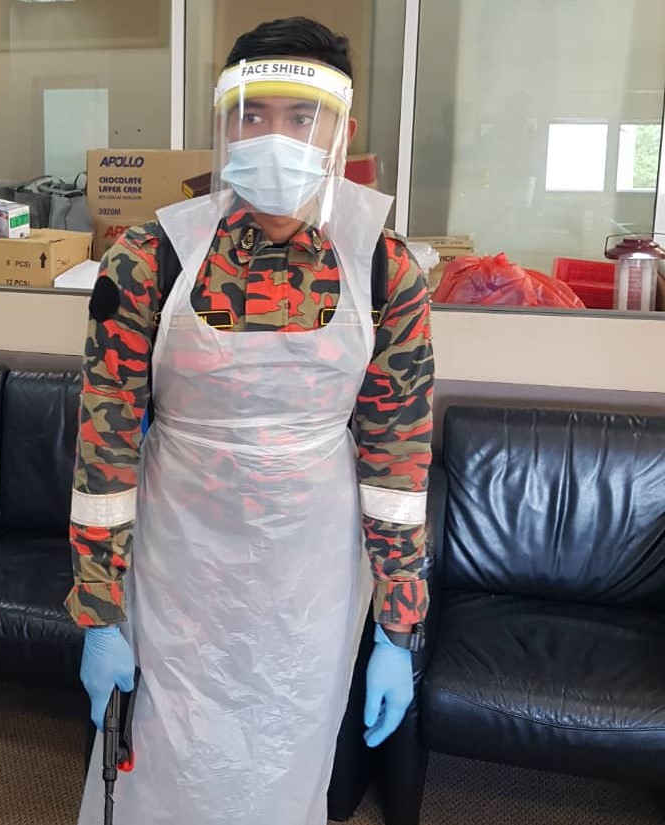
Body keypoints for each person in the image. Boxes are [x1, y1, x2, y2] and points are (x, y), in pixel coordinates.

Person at [66, 16, 433, 825]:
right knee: (163, 763)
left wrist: (398, 628)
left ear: (341, 132)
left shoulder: (385, 270)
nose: (274, 137)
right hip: (177, 565)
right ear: (223, 123)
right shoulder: (148, 259)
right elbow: (104, 450)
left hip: (311, 577)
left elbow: (397, 460)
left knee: (280, 762)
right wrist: (99, 613)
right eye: (252, 114)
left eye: (302, 117)